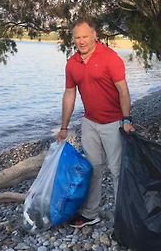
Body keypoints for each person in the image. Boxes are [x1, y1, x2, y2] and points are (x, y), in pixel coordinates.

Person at [57, 18, 135, 228]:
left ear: (94, 35)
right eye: (77, 37)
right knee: (93, 168)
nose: (81, 41)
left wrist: (127, 119)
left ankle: (123, 217)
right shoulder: (72, 63)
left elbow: (123, 91)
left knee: (118, 170)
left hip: (113, 123)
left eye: (85, 36)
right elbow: (69, 95)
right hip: (89, 122)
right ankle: (91, 213)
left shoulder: (110, 58)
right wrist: (64, 127)